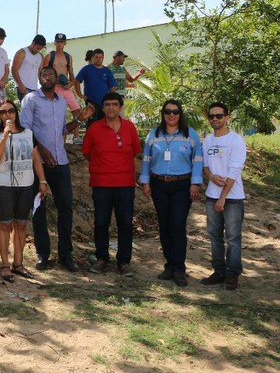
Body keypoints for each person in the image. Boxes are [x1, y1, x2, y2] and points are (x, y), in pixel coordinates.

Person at [20, 67, 82, 272]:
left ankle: (66, 254)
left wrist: (80, 120)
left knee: (65, 207)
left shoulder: (61, 101)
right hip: (39, 163)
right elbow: (25, 129)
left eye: (51, 75)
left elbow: (62, 130)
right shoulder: (30, 99)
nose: (47, 77)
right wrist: (42, 151)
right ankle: (42, 254)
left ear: (56, 79)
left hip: (61, 162)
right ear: (39, 79)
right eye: (44, 75)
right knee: (39, 209)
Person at [139, 100, 203, 287]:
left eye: (175, 112)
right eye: (168, 111)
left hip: (182, 186)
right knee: (164, 226)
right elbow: (146, 159)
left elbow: (197, 160)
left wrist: (196, 182)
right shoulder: (154, 134)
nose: (171, 115)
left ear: (180, 114)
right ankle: (169, 265)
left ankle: (179, 268)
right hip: (159, 185)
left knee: (177, 225)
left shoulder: (190, 135)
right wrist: (145, 182)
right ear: (163, 114)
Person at [0, 100, 47, 282]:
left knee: (21, 224)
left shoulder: (28, 133)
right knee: (5, 224)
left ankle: (18, 263)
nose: (8, 115)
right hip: (3, 185)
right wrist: (4, 137)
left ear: (16, 113)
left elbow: (36, 159)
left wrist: (42, 180)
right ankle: (5, 265)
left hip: (26, 185)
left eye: (11, 111)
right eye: (3, 112)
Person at [81, 92, 141, 276]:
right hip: (101, 184)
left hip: (125, 184)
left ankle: (124, 261)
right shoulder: (94, 128)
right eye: (107, 104)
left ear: (121, 107)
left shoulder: (130, 127)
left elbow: (135, 151)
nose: (111, 108)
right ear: (103, 107)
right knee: (101, 222)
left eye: (115, 104)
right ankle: (102, 259)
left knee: (124, 223)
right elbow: (86, 153)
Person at [201, 102, 247, 291]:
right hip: (211, 196)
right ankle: (219, 271)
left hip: (232, 198)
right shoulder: (208, 141)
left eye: (219, 116)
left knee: (233, 237)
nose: (215, 119)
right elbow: (204, 166)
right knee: (214, 236)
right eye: (211, 116)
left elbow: (235, 170)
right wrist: (211, 177)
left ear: (227, 117)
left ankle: (232, 274)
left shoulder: (235, 141)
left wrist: (223, 198)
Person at [39, 33, 82, 123]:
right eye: (58, 42)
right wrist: (46, 85)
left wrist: (70, 84)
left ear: (65, 43)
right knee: (55, 113)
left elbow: (71, 74)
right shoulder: (50, 56)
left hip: (65, 87)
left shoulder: (68, 57)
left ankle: (75, 136)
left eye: (61, 42)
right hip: (53, 88)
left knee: (77, 110)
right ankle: (57, 134)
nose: (59, 44)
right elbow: (42, 72)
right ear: (54, 42)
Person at [74, 48, 117, 126]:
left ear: (103, 58)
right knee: (92, 124)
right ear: (92, 58)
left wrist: (113, 100)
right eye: (96, 57)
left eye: (100, 57)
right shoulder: (86, 69)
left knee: (104, 124)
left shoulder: (107, 71)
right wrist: (80, 95)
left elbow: (112, 87)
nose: (98, 59)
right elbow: (77, 81)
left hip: (104, 103)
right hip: (91, 102)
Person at [11, 33, 45, 100]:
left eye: (40, 49)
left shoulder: (41, 56)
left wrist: (43, 86)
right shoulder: (22, 53)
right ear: (33, 43)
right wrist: (20, 84)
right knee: (27, 108)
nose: (38, 50)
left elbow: (40, 73)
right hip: (23, 87)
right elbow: (14, 70)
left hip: (35, 88)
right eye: (37, 48)